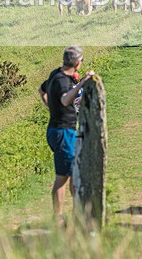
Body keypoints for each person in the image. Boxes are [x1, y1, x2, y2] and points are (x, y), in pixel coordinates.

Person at [38, 47, 95, 218]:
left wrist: (50, 107)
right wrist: (82, 82)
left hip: (60, 129)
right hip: (63, 132)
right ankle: (59, 217)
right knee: (62, 176)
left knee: (72, 173)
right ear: (78, 63)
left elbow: (41, 90)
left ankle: (77, 211)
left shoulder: (55, 74)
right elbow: (64, 100)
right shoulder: (62, 81)